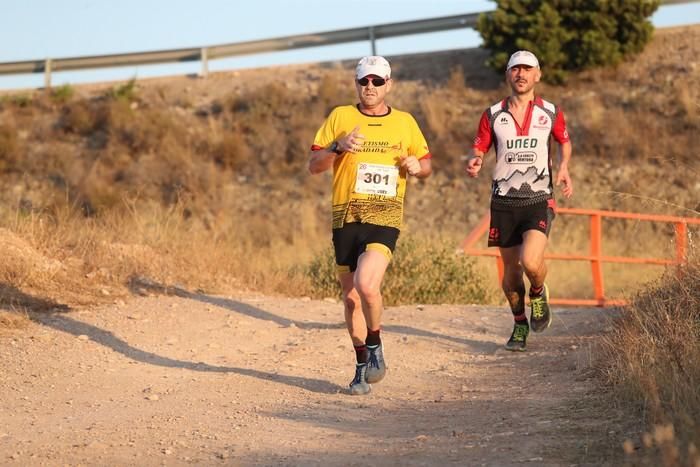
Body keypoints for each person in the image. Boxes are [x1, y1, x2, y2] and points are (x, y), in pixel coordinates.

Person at [308, 56, 432, 395]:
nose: (370, 87)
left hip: (385, 214)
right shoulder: (340, 117)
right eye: (365, 81)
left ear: (389, 84)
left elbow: (426, 162)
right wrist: (338, 146)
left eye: (377, 81)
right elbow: (314, 165)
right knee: (350, 299)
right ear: (356, 83)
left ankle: (375, 343)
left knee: (367, 286)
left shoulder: (405, 122)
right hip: (345, 216)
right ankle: (362, 363)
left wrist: (417, 167)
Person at [466, 50, 573, 352]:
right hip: (504, 201)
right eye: (516, 69)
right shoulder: (492, 114)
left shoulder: (551, 112)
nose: (521, 75)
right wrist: (475, 160)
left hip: (539, 198)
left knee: (530, 261)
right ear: (508, 75)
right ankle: (519, 324)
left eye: (528, 69)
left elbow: (564, 141)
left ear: (537, 75)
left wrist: (563, 167)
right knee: (511, 271)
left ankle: (538, 293)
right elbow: (479, 147)